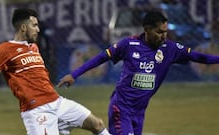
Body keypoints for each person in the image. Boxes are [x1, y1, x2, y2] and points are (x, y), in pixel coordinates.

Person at [58, 10, 219, 135]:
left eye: (165, 31)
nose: (164, 36)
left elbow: (199, 56)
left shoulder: (170, 48)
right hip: (121, 108)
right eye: (159, 32)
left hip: (140, 111)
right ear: (147, 30)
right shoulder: (129, 44)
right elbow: (101, 58)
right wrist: (74, 74)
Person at [0, 8, 110, 135]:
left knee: (97, 124)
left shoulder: (34, 47)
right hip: (36, 111)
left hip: (58, 102)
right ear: (24, 28)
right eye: (34, 25)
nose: (38, 29)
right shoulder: (4, 50)